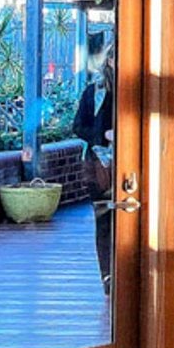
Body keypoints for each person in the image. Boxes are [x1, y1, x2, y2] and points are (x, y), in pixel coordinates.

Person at [74, 44, 116, 297]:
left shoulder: (140, 91)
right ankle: (108, 275)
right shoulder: (95, 91)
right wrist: (103, 135)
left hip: (133, 163)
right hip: (99, 164)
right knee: (104, 220)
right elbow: (78, 126)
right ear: (109, 59)